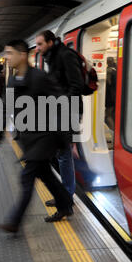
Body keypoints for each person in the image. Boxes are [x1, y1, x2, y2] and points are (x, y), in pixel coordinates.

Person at [0, 39, 73, 233]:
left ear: (22, 55)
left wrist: (65, 136)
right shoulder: (12, 81)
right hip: (29, 138)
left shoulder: (40, 77)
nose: (6, 57)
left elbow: (61, 103)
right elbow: (4, 108)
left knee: (26, 178)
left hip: (45, 137)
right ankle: (65, 204)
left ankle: (13, 221)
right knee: (47, 176)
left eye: (10, 53)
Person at [35, 30, 84, 207]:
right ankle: (64, 194)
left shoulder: (65, 55)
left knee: (63, 155)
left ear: (50, 42)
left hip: (68, 111)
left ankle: (67, 197)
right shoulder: (52, 57)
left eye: (40, 44)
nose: (38, 48)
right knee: (60, 154)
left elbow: (75, 85)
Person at [105, 57, 117, 131]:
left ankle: (113, 132)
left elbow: (108, 83)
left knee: (108, 115)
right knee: (113, 115)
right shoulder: (118, 69)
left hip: (110, 97)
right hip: (116, 96)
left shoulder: (109, 71)